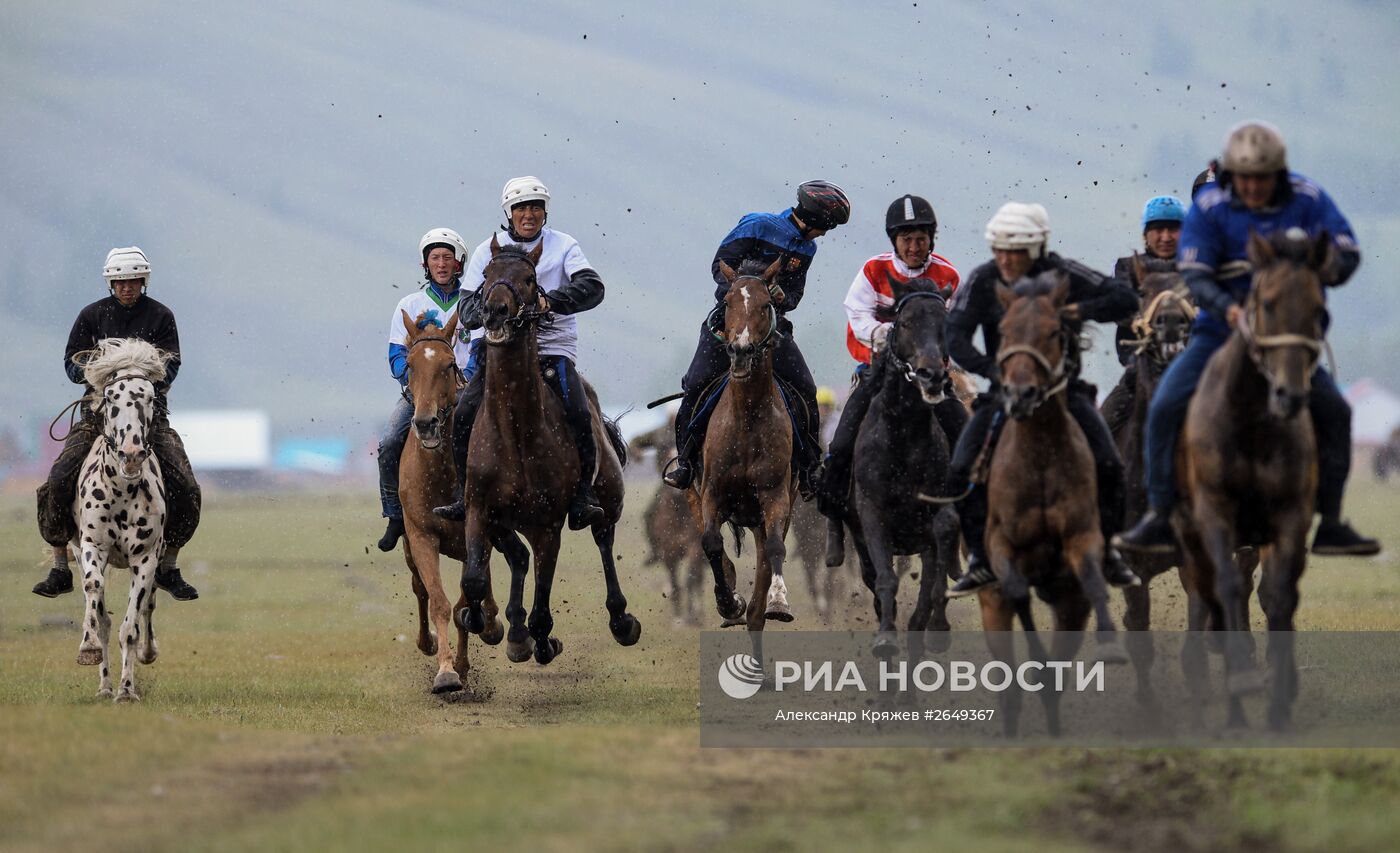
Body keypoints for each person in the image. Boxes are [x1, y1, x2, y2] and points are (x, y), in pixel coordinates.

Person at [1116, 121, 1379, 557]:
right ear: (1232, 172)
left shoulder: (1308, 198)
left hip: (1284, 337)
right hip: (1220, 330)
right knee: (1163, 406)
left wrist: (1314, 269)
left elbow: (1347, 251)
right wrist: (1229, 307)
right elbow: (1196, 274)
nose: (1254, 187)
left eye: (1263, 177)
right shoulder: (1211, 205)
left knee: (1336, 410)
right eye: (1246, 177)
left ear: (1278, 171)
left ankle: (1330, 522)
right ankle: (1160, 515)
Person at [944, 203, 1142, 596]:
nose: (1004, 258)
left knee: (1110, 463)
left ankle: (1110, 551)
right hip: (1004, 395)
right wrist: (992, 369)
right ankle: (981, 561)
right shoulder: (984, 278)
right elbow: (955, 334)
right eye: (999, 249)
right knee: (960, 469)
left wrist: (1076, 310)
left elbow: (1124, 299)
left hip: (1064, 395)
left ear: (1036, 248)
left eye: (1013, 251)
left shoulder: (1063, 273)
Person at [433, 176, 609, 530]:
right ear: (509, 213)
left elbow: (592, 287)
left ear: (545, 213)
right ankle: (461, 493)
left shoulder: (564, 246)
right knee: (465, 411)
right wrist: (489, 312)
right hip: (499, 352)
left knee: (577, 409)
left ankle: (582, 497)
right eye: (521, 208)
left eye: (535, 208)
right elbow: (466, 307)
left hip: (552, 349)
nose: (528, 214)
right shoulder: (487, 250)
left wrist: (550, 301)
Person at [663, 180, 851, 498]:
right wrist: (744, 298)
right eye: (828, 226)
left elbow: (793, 295)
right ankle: (685, 463)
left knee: (806, 388)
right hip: (728, 322)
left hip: (772, 328)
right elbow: (718, 265)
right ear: (818, 217)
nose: (826, 233)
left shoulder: (808, 248)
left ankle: (809, 469)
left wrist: (780, 296)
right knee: (695, 383)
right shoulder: (758, 225)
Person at [33, 247, 201, 601]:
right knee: (60, 476)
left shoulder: (161, 316)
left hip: (148, 419)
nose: (127, 287)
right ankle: (60, 565)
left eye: (134, 281)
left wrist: (139, 377)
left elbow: (171, 366)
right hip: (98, 416)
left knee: (185, 485)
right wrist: (103, 373)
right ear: (111, 283)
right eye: (121, 281)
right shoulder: (91, 316)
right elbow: (71, 365)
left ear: (144, 281)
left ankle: (169, 564)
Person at [816, 194, 964, 519]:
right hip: (879, 368)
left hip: (930, 371)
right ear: (894, 241)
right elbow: (857, 313)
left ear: (931, 240)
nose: (914, 247)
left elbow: (956, 325)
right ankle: (834, 499)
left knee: (965, 432)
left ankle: (973, 505)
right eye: (907, 239)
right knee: (841, 443)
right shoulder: (873, 269)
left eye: (921, 240)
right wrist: (888, 336)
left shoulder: (948, 276)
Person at [375, 228, 475, 551]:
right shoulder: (409, 303)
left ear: (459, 263)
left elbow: (483, 347)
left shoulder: (473, 302)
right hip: (421, 392)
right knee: (390, 441)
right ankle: (394, 514)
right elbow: (395, 354)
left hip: (464, 390)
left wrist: (467, 378)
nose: (442, 264)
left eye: (448, 257)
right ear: (426, 264)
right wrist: (413, 379)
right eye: (435, 258)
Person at [1101, 195, 1188, 435]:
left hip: (1192, 366)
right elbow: (1117, 307)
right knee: (1101, 430)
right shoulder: (1127, 268)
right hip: (1138, 369)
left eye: (1173, 230)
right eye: (1158, 230)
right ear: (1146, 234)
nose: (1166, 237)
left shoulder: (1197, 269)